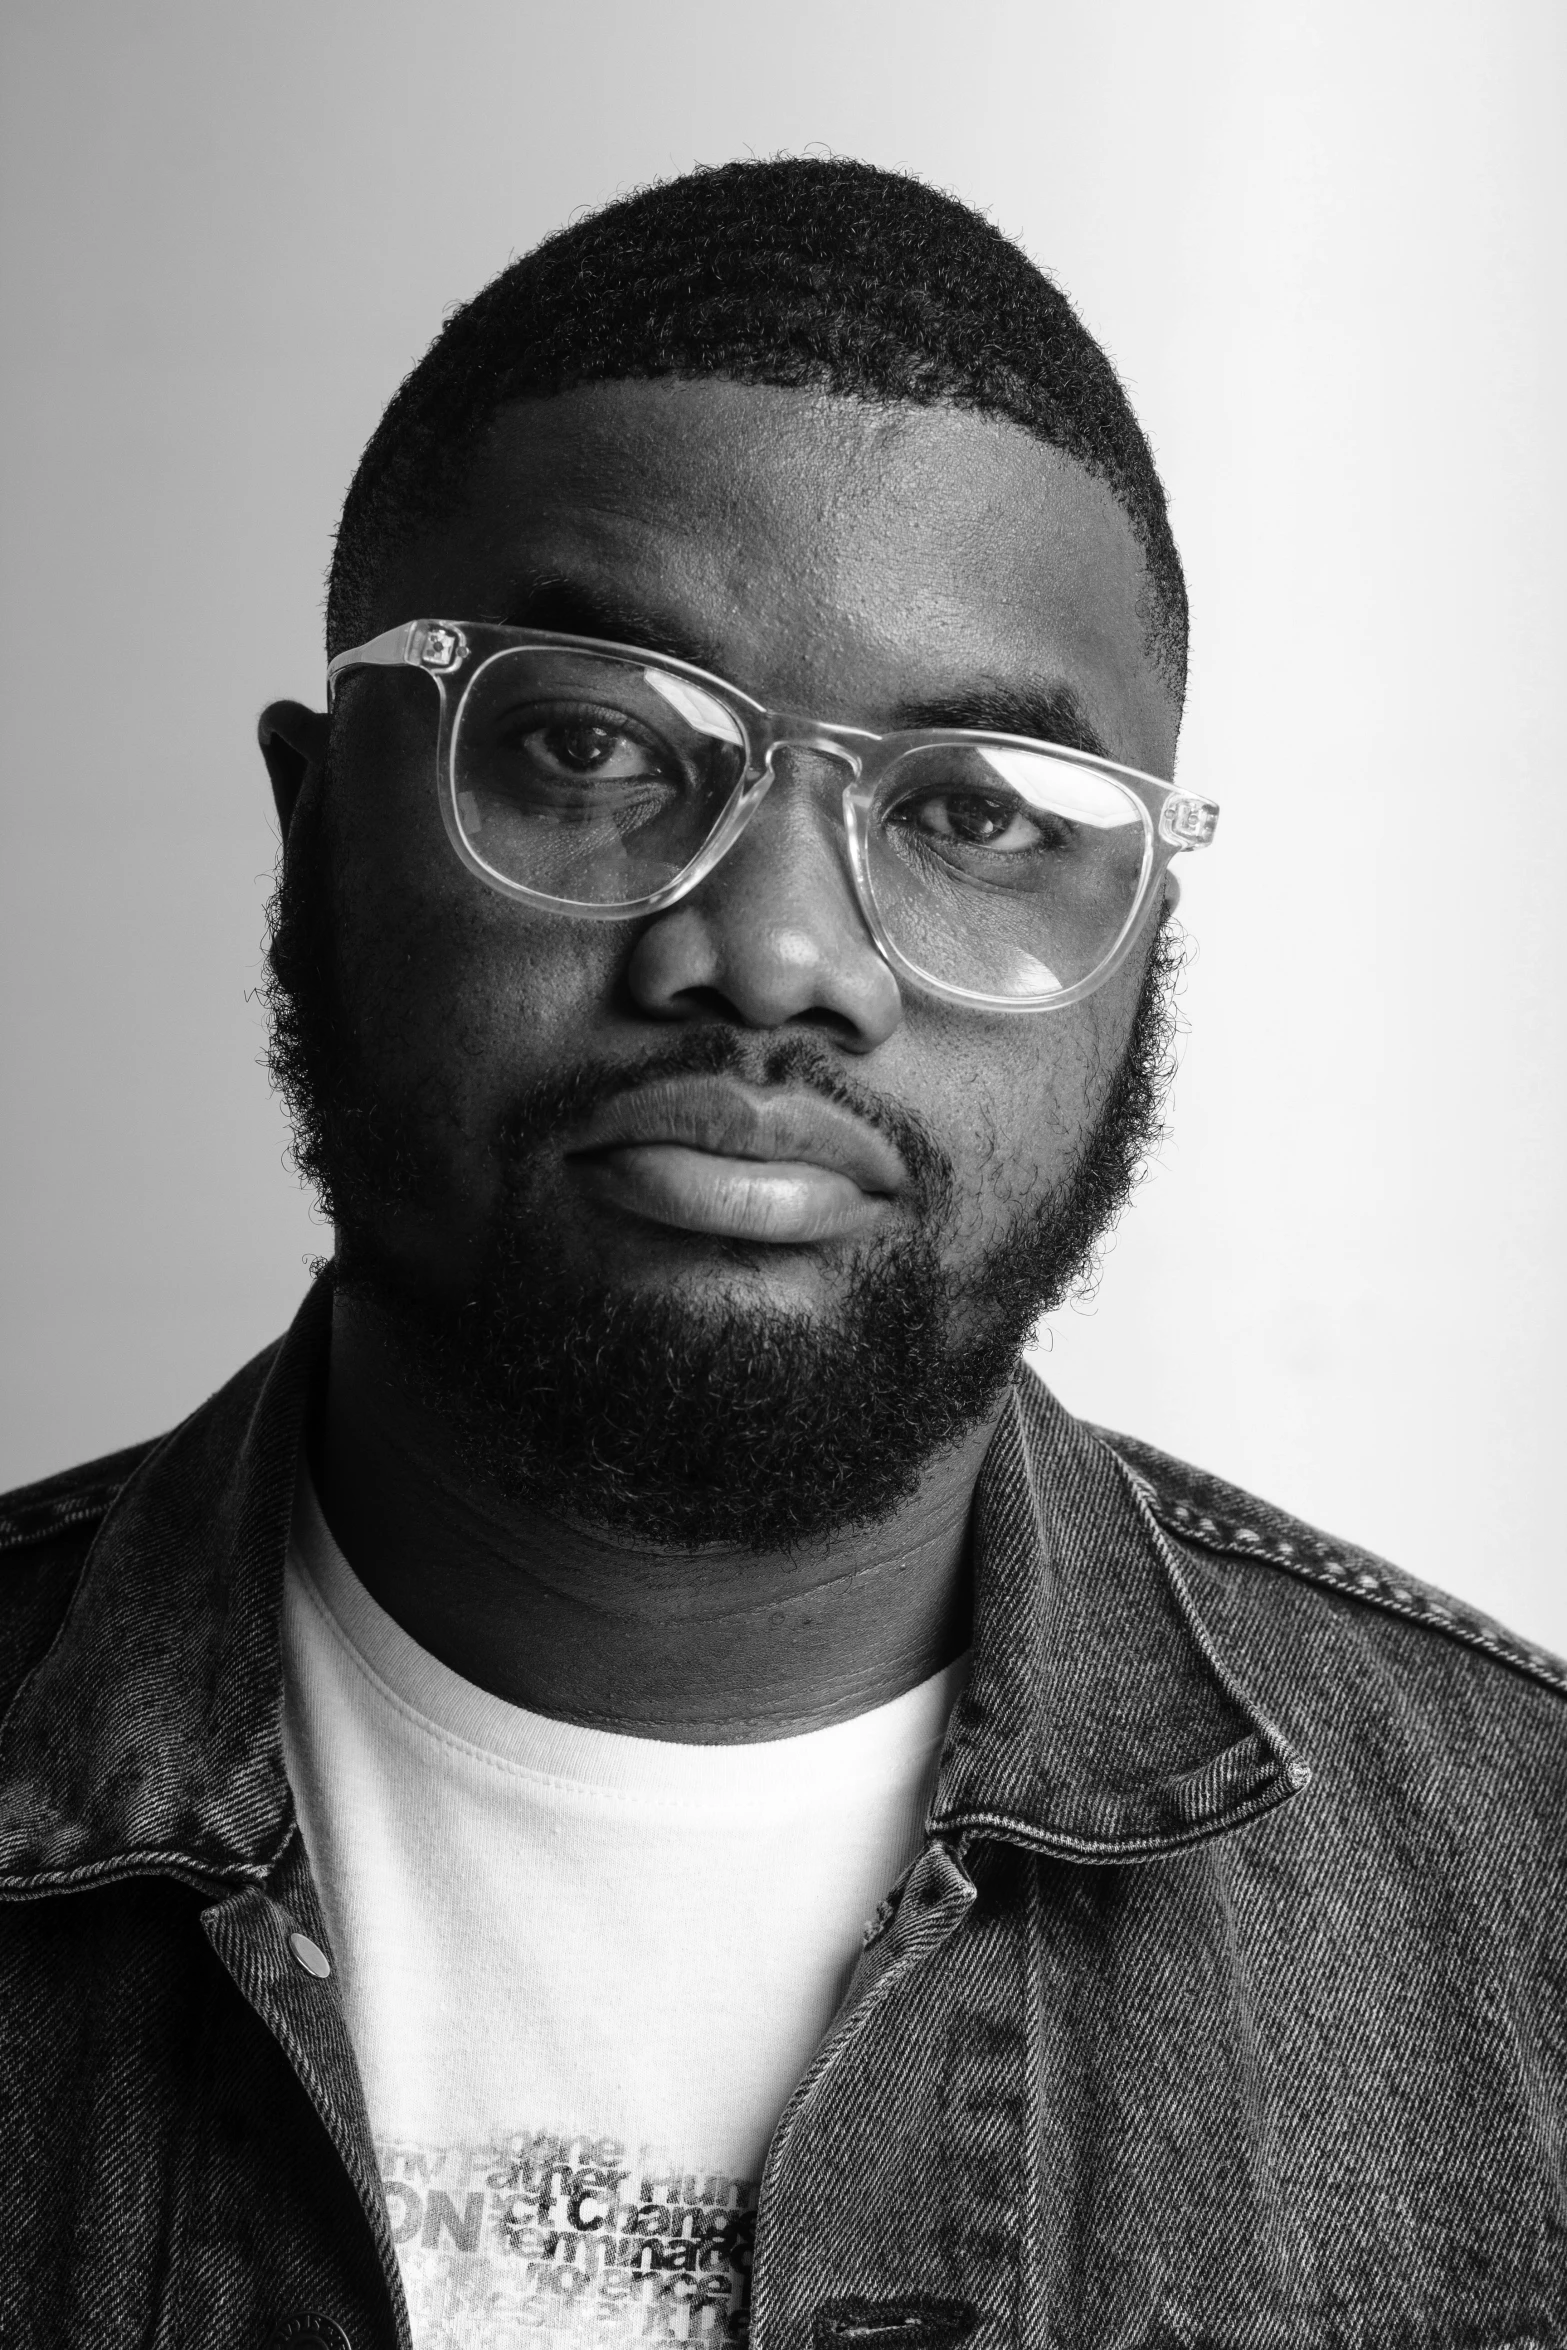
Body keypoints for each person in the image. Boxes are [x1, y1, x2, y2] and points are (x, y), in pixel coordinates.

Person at [1, 157, 1561, 2350]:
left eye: (979, 810)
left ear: (1139, 951)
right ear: (314, 824)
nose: (780, 954)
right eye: (595, 746)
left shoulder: (1526, 1919)